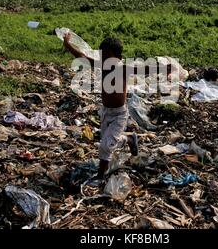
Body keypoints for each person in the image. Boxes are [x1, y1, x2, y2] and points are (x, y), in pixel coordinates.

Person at [63, 34, 173, 182]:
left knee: (106, 146)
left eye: (108, 57)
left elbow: (144, 69)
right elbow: (81, 56)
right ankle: (129, 139)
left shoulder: (124, 69)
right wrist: (67, 44)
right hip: (106, 112)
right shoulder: (102, 66)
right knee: (108, 142)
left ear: (118, 57)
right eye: (103, 57)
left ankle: (100, 177)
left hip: (119, 114)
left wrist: (164, 69)